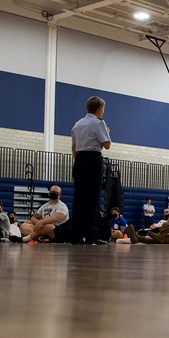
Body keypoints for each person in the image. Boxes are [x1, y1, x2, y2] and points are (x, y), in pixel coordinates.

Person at [71, 96, 111, 245]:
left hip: (79, 160)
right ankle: (91, 235)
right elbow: (107, 144)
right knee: (93, 199)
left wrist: (79, 161)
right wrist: (107, 131)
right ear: (100, 110)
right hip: (93, 159)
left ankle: (76, 235)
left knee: (79, 198)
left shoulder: (78, 124)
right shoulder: (99, 123)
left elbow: (74, 147)